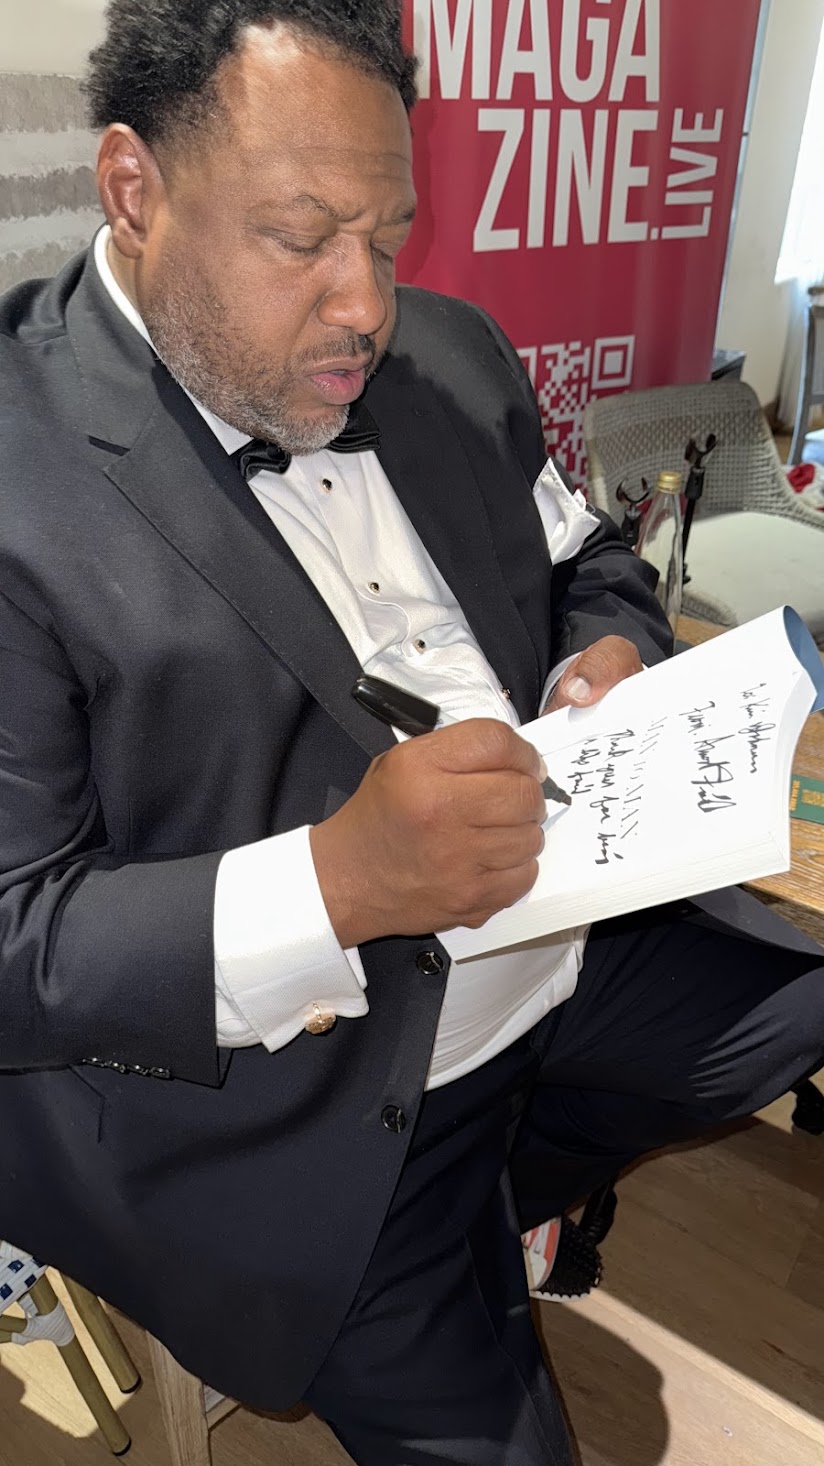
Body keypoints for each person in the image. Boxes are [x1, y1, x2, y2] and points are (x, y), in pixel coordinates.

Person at [1, 4, 822, 1462]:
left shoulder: (452, 352)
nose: (367, 305)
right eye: (302, 235)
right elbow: (16, 944)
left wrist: (609, 655)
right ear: (133, 188)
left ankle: (522, 1187)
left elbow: (588, 558)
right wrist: (341, 882)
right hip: (302, 1103)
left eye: (388, 237)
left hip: (569, 947)